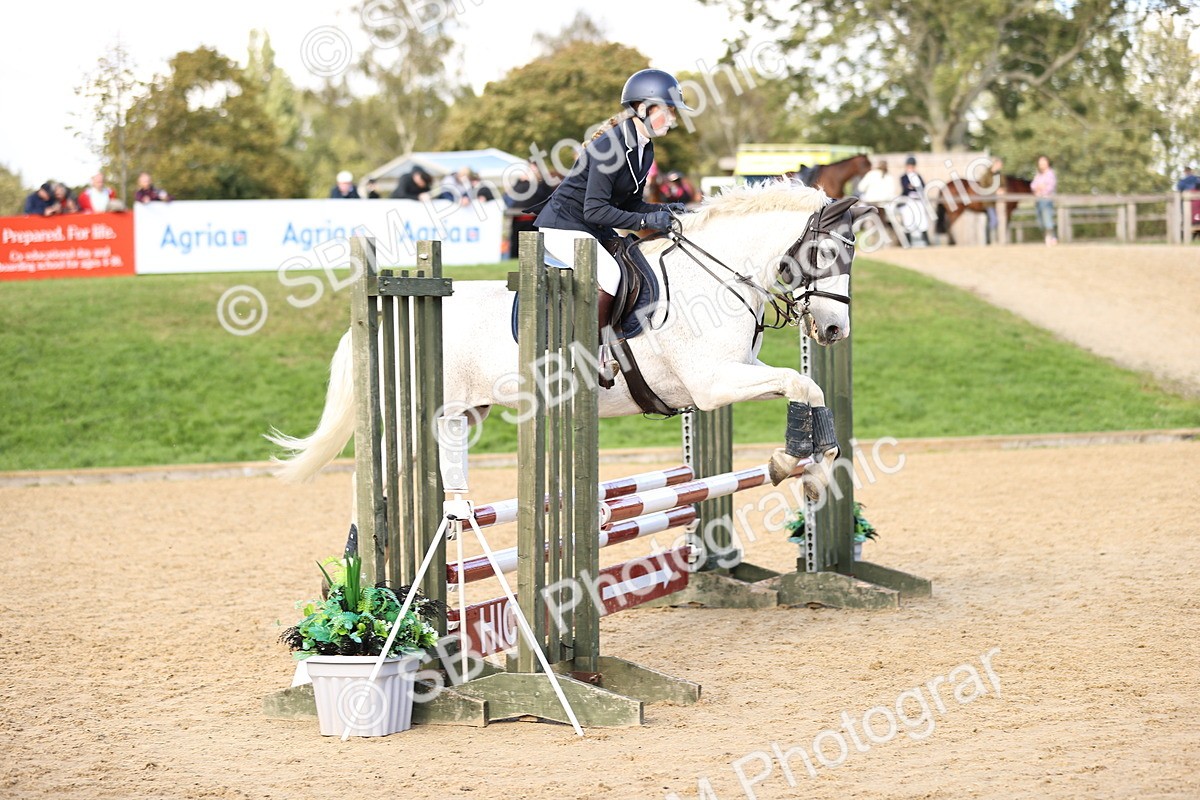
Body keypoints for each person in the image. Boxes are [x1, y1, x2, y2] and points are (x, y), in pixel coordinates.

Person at [534, 67, 694, 360]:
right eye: (668, 111)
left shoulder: (645, 150)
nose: (673, 119)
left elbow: (630, 204)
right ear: (643, 109)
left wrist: (662, 209)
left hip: (590, 228)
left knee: (638, 262)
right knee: (610, 275)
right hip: (563, 227)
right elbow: (594, 209)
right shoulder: (609, 146)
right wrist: (646, 221)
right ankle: (588, 355)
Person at [504, 161, 557, 259]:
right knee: (517, 243)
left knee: (534, 245)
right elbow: (511, 196)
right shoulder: (520, 183)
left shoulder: (542, 184)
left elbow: (544, 196)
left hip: (534, 219)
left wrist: (534, 181)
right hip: (518, 219)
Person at [898, 155, 930, 246]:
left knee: (922, 220)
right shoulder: (904, 177)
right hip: (908, 201)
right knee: (908, 220)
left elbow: (922, 187)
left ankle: (926, 241)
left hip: (918, 200)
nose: (910, 168)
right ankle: (908, 242)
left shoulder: (918, 176)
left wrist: (913, 187)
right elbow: (906, 188)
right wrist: (912, 187)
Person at [1030, 155, 1057, 246]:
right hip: (1038, 199)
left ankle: (1051, 238)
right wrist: (1039, 187)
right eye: (1040, 163)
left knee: (1047, 219)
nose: (1042, 165)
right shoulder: (1038, 175)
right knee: (1040, 220)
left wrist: (1041, 188)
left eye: (1043, 162)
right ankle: (1049, 237)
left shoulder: (1050, 174)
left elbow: (1049, 187)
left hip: (1046, 199)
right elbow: (1033, 186)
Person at [979, 157, 1005, 241]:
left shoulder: (1000, 175)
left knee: (998, 221)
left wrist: (1002, 190)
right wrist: (995, 192)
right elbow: (983, 188)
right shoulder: (986, 176)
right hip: (989, 202)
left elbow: (1004, 186)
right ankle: (990, 240)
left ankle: (996, 240)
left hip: (999, 202)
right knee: (993, 220)